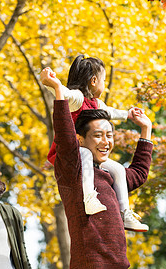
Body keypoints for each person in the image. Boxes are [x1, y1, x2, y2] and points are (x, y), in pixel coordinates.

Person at [49, 80, 153, 269]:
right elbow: (65, 137)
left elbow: (139, 173)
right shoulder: (72, 172)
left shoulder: (110, 175)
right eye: (98, 135)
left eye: (109, 135)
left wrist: (146, 129)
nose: (105, 141)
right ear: (81, 139)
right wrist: (59, 93)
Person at [41, 54, 148, 232]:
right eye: (103, 80)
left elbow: (111, 111)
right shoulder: (78, 99)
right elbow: (65, 94)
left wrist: (128, 114)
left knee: (119, 169)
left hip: (88, 155)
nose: (104, 85)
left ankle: (125, 213)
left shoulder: (97, 103)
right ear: (93, 80)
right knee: (87, 153)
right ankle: (89, 196)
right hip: (73, 152)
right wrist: (54, 84)